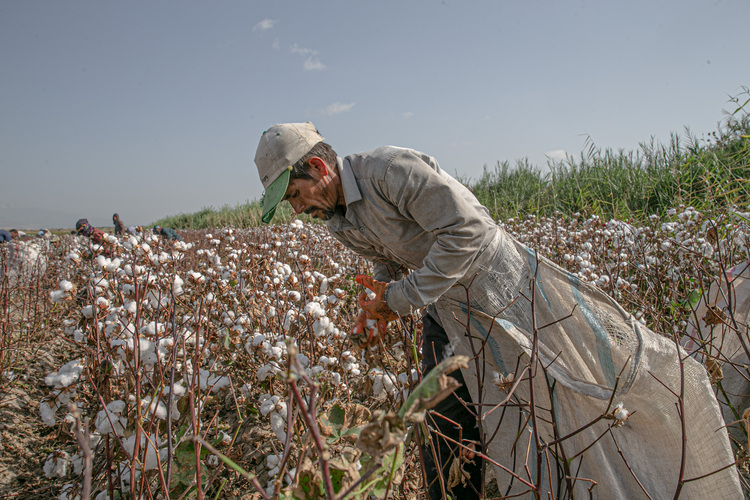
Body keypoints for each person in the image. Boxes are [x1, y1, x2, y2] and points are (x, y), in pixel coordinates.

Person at [253, 122, 742, 499]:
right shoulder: (337, 217)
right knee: (442, 420)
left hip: (508, 297)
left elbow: (470, 232)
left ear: (319, 169)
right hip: (447, 312)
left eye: (294, 195)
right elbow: (388, 255)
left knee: (567, 398)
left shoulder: (390, 171)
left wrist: (398, 298)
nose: (297, 210)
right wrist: (379, 301)